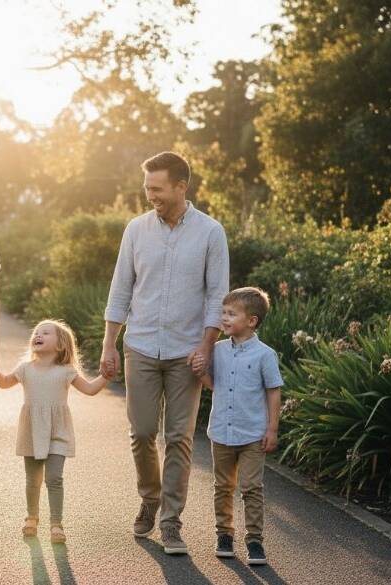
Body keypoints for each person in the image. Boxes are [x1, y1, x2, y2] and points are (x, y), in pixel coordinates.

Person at [101, 151, 229, 554]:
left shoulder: (210, 232)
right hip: (139, 344)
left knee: (179, 438)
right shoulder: (136, 230)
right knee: (141, 432)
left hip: (186, 352)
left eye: (156, 188)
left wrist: (206, 347)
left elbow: (217, 295)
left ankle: (171, 522)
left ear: (180, 186)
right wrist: (109, 343)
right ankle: (149, 498)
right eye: (146, 188)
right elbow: (121, 288)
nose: (150, 195)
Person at [0, 319, 110, 544]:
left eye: (45, 333)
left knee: (54, 478)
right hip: (32, 430)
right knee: (32, 479)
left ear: (61, 345)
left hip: (58, 432)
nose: (38, 335)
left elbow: (90, 389)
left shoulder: (66, 371)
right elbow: (4, 382)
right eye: (36, 332)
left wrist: (106, 377)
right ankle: (32, 518)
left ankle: (56, 524)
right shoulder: (25, 368)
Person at [190, 287, 283, 566]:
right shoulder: (217, 350)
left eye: (231, 314)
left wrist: (272, 429)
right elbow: (213, 383)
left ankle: (254, 541)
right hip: (221, 432)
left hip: (253, 434)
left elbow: (273, 391)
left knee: (252, 487)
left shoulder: (265, 355)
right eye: (223, 313)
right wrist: (200, 370)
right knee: (223, 486)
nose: (225, 318)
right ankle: (224, 535)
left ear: (251, 321)